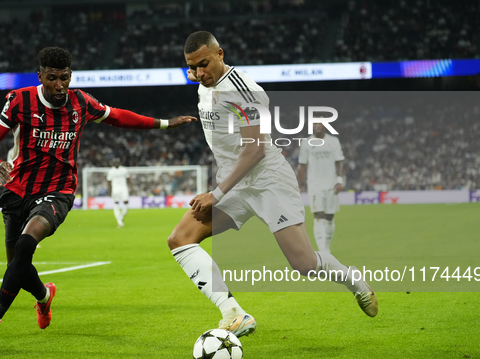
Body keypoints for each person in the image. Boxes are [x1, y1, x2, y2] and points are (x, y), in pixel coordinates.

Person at [0, 46, 196, 346]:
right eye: (52, 78)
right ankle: (44, 295)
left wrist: (166, 123)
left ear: (70, 76)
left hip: (58, 190)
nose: (59, 86)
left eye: (64, 78)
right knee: (18, 264)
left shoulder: (81, 103)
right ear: (40, 76)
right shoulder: (20, 100)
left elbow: (119, 117)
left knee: (27, 243)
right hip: (18, 190)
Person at [167, 31, 378, 339]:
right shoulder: (204, 81)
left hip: (267, 181)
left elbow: (255, 149)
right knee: (180, 238)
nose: (199, 73)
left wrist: (217, 193)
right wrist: (198, 72)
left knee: (303, 263)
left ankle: (353, 280)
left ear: (221, 54)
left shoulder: (245, 92)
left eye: (204, 64)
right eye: (192, 67)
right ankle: (233, 314)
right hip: (233, 181)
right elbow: (202, 76)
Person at [297, 123, 345, 253]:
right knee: (318, 215)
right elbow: (302, 166)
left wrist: (339, 180)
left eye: (320, 124)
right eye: (315, 124)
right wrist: (297, 185)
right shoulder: (306, 143)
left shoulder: (333, 141)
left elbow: (339, 161)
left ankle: (326, 247)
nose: (317, 126)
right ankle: (323, 251)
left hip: (331, 185)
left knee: (329, 216)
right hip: (314, 185)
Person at [106, 158, 131, 228]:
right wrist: (109, 191)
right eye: (114, 162)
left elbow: (128, 179)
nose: (116, 163)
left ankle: (121, 217)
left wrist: (131, 188)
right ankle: (120, 222)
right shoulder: (111, 171)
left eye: (117, 162)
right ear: (113, 163)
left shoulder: (124, 170)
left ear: (119, 163)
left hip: (124, 189)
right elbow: (109, 181)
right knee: (116, 203)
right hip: (115, 189)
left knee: (127, 204)